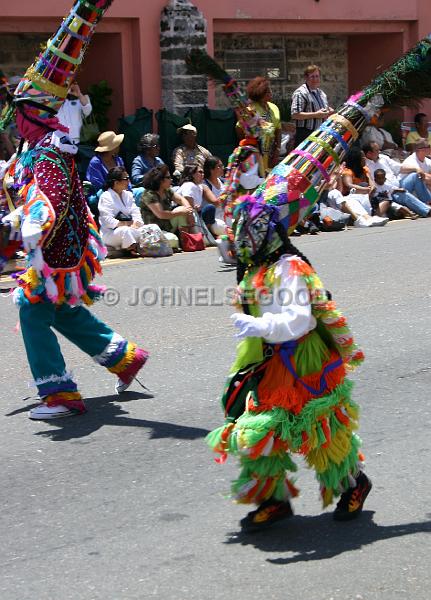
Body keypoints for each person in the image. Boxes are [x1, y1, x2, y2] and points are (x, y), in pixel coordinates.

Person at [0, 0, 149, 420]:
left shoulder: (47, 151)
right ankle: (124, 357)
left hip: (54, 249)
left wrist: (25, 228)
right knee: (58, 308)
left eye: (20, 113)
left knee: (30, 306)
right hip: (61, 247)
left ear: (34, 113)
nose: (15, 121)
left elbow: (53, 200)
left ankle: (60, 395)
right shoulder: (40, 147)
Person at [207, 195, 371, 532]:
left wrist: (260, 326)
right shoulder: (256, 269)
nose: (241, 241)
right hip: (269, 361)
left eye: (246, 233)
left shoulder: (289, 267)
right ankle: (274, 500)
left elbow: (298, 320)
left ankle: (355, 484)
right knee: (259, 429)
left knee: (320, 431)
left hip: (303, 359)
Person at [363, 141, 431, 217]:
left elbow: (400, 168)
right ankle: (427, 211)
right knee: (403, 194)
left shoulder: (383, 158)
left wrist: (416, 168)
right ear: (369, 153)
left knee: (415, 176)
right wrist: (394, 189)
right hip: (387, 193)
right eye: (376, 150)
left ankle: (428, 202)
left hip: (399, 184)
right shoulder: (365, 165)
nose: (379, 151)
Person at [140, 164, 193, 247]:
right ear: (160, 180)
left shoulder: (167, 191)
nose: (171, 179)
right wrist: (181, 212)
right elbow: (161, 214)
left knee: (183, 209)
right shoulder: (149, 195)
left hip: (167, 225)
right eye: (168, 177)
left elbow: (181, 199)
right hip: (155, 230)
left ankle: (186, 243)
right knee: (173, 240)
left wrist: (189, 211)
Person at [236, 76, 281, 173]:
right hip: (256, 152)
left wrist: (277, 150)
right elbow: (239, 128)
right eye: (267, 91)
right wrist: (250, 146)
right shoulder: (251, 110)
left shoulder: (274, 108)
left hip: (271, 151)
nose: (271, 93)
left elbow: (278, 128)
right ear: (260, 93)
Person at [98, 167, 144, 256]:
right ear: (116, 182)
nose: (128, 181)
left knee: (149, 228)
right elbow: (107, 220)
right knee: (125, 231)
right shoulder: (106, 197)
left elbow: (136, 212)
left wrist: (136, 223)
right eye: (126, 179)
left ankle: (133, 246)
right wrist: (128, 224)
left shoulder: (128, 195)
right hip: (111, 233)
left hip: (131, 228)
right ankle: (131, 249)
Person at [290, 64, 334, 145]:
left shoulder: (321, 93)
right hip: (305, 135)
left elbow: (321, 110)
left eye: (317, 76)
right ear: (306, 78)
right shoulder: (301, 93)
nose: (315, 79)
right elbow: (295, 114)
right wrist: (316, 114)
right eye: (312, 76)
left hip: (320, 134)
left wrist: (328, 111)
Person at [177, 163, 222, 239]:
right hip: (185, 215)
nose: (202, 174)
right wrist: (195, 208)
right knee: (209, 208)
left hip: (195, 214)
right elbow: (188, 206)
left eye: (203, 172)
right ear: (192, 174)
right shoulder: (189, 185)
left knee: (209, 209)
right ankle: (205, 236)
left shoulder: (199, 187)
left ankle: (207, 234)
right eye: (200, 172)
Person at [399, 139, 431, 205]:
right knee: (416, 176)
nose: (430, 148)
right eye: (428, 146)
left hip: (418, 190)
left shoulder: (428, 161)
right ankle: (428, 202)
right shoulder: (411, 160)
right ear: (420, 149)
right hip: (404, 188)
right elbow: (422, 177)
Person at [203, 156, 227, 234]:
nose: (222, 168)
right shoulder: (204, 184)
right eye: (219, 166)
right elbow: (215, 202)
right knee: (223, 228)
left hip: (228, 216)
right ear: (211, 169)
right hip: (215, 220)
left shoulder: (224, 181)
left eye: (222, 166)